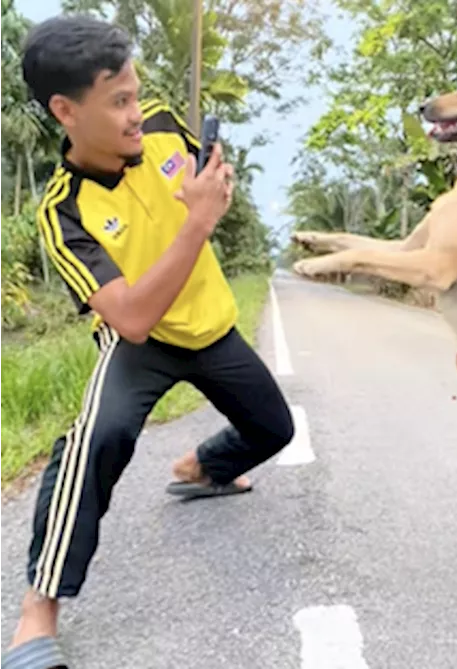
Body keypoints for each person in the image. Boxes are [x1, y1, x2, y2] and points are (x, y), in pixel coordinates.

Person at [3, 15, 295, 668]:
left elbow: (206, 178)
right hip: (143, 342)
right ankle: (38, 608)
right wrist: (197, 221)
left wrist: (216, 184)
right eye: (119, 101)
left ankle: (202, 467)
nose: (138, 112)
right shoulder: (64, 211)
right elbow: (130, 318)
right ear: (65, 110)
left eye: (136, 93)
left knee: (275, 428)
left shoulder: (162, 122)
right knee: (96, 437)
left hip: (213, 323)